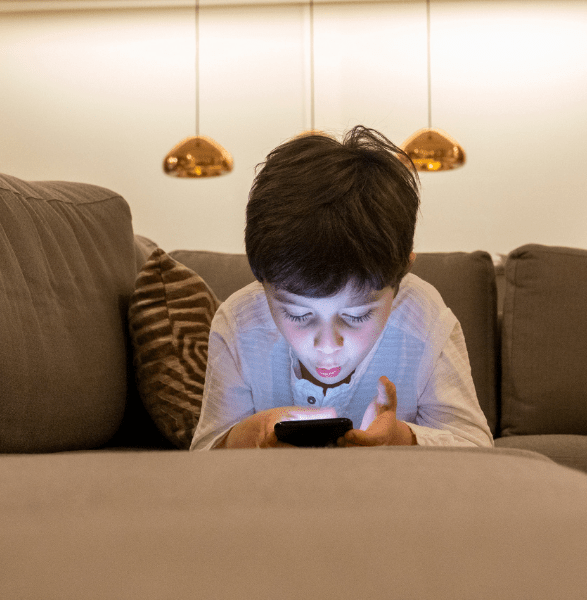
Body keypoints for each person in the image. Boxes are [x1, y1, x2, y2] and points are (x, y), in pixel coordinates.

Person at [190, 126, 493, 450]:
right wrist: (247, 436)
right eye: (298, 314)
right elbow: (204, 456)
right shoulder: (238, 325)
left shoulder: (424, 320)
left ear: (401, 274)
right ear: (261, 280)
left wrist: (400, 439)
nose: (327, 346)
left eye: (358, 315)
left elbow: (477, 448)